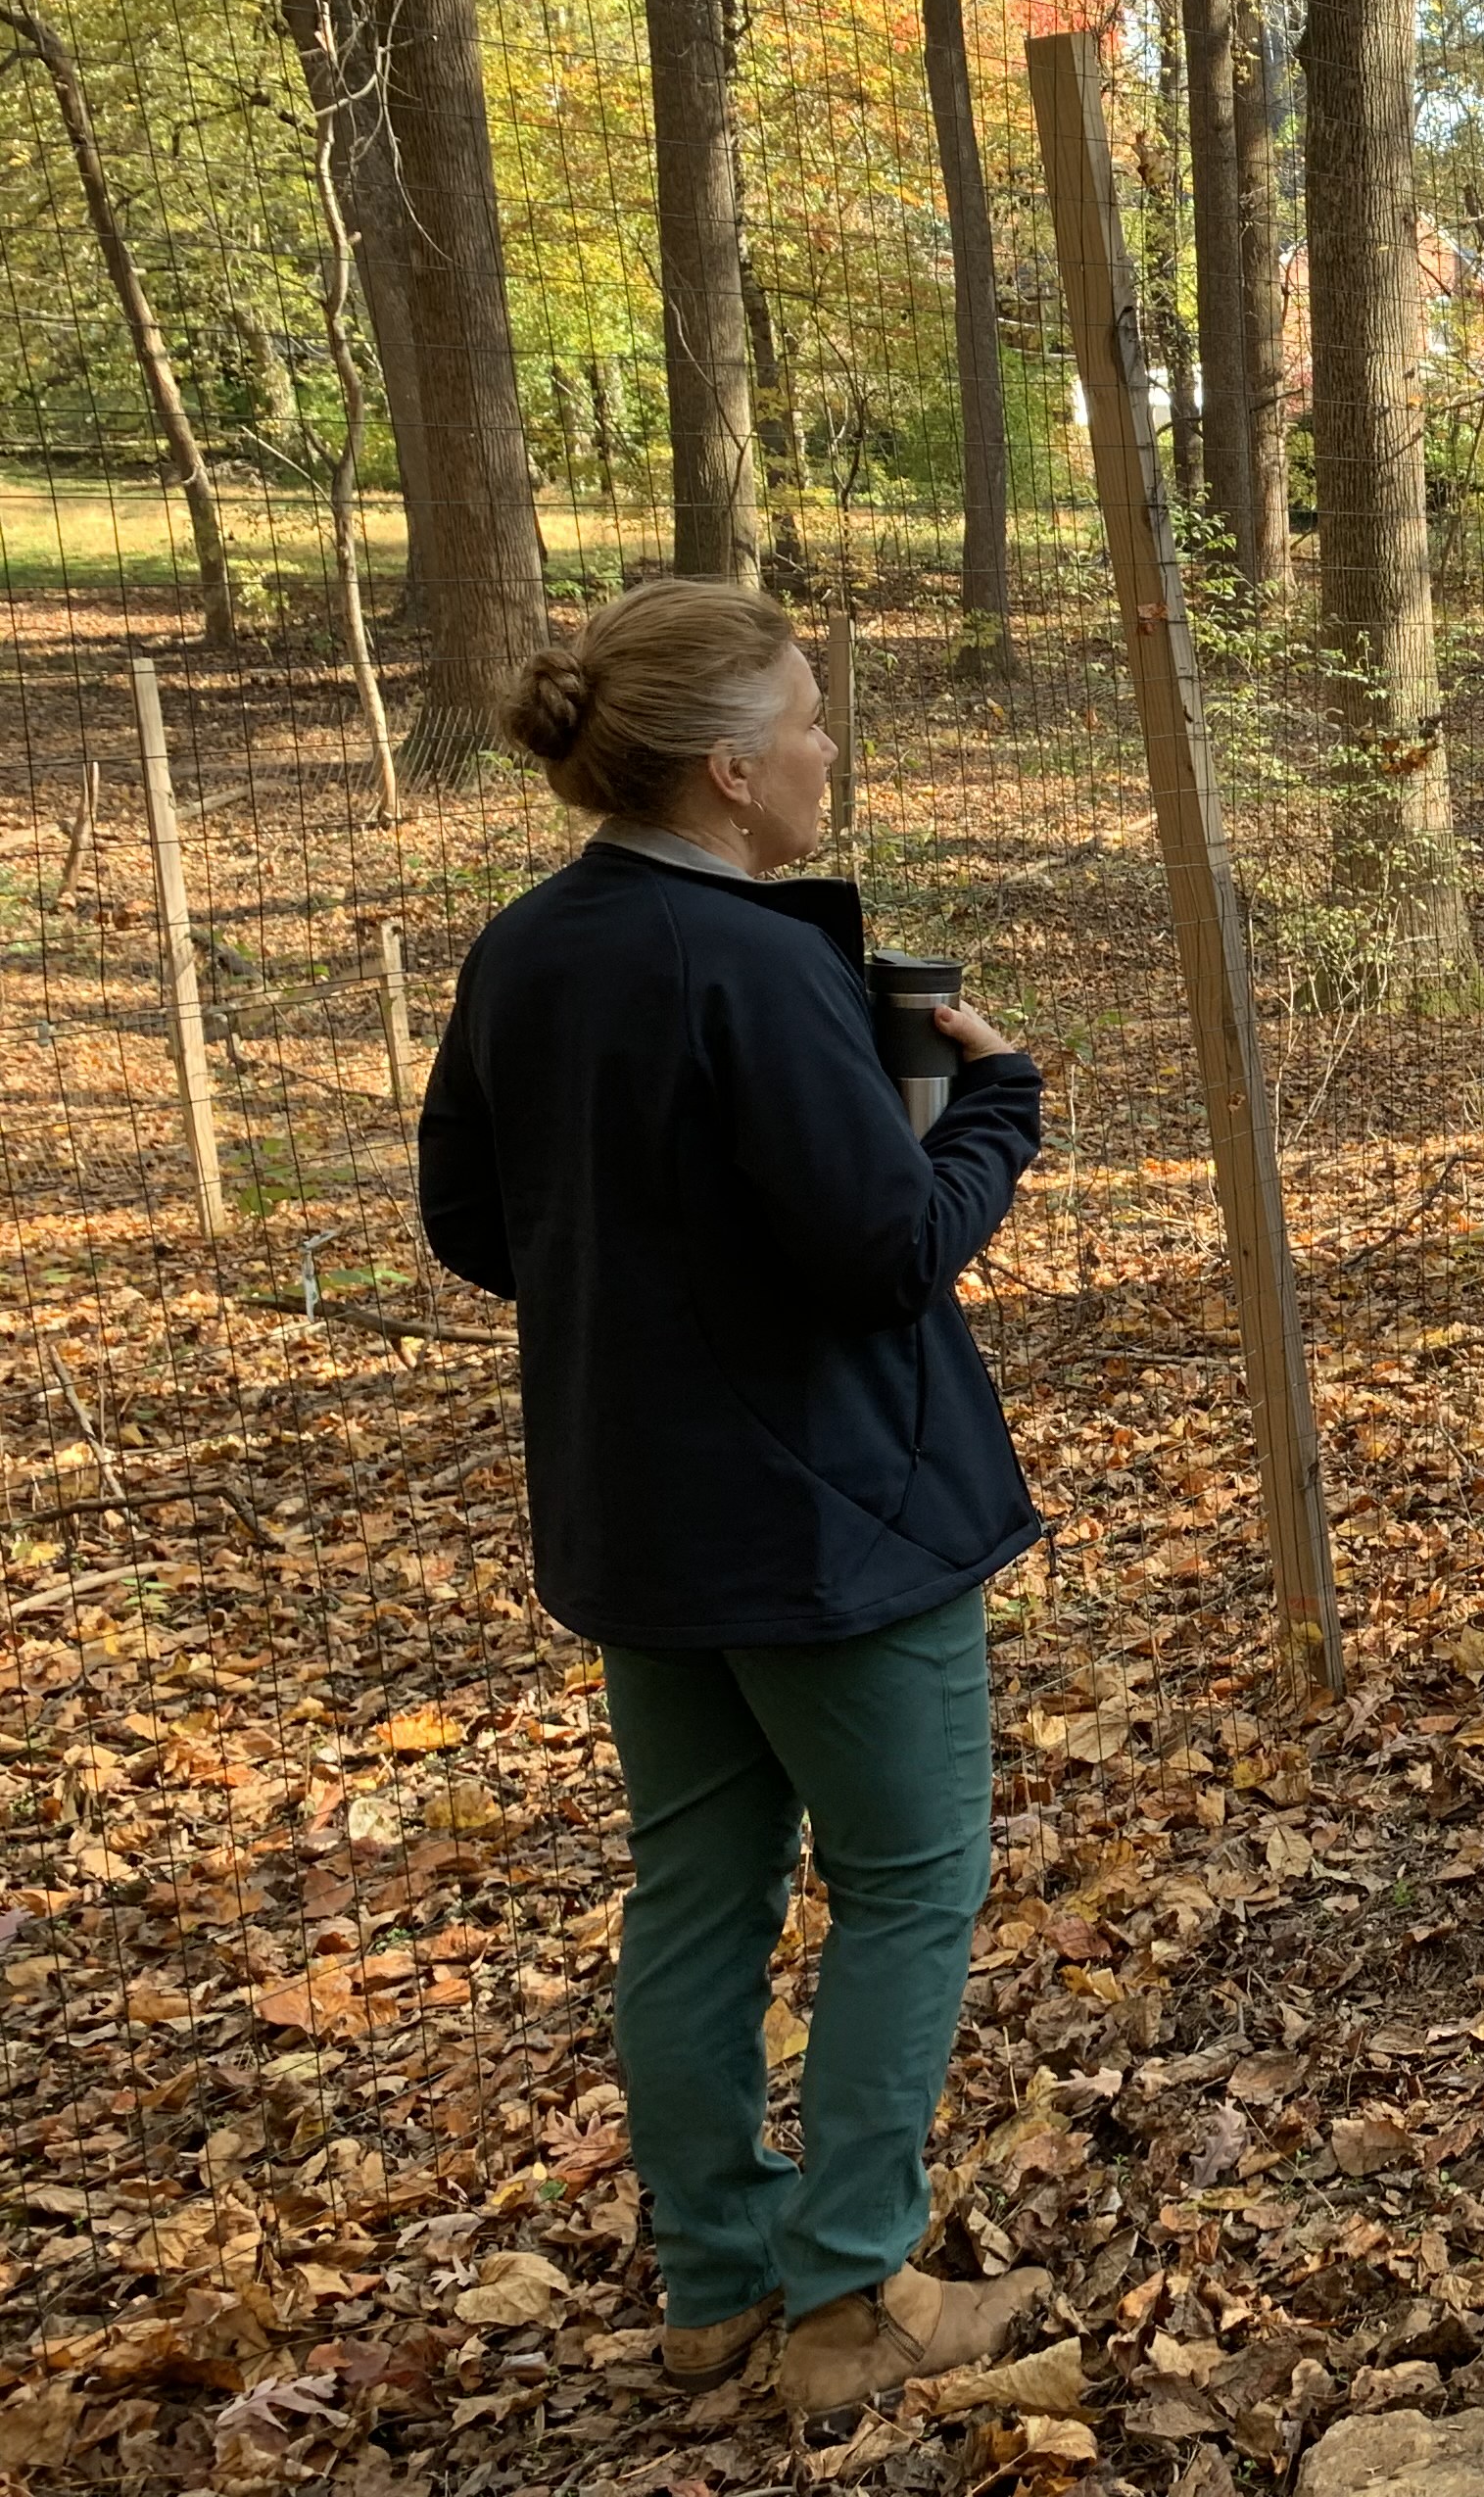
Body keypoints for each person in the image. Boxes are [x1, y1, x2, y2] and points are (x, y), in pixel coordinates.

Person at [418, 578, 1054, 2415]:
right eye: (808, 718)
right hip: (839, 1524)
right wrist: (993, 1106)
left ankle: (713, 2278)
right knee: (911, 1879)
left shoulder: (527, 945)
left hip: (639, 1507)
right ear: (727, 766)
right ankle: (849, 2290)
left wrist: (660, 1268)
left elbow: (477, 1222)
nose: (828, 747)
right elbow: (881, 1250)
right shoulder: (760, 963)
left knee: (696, 1886)